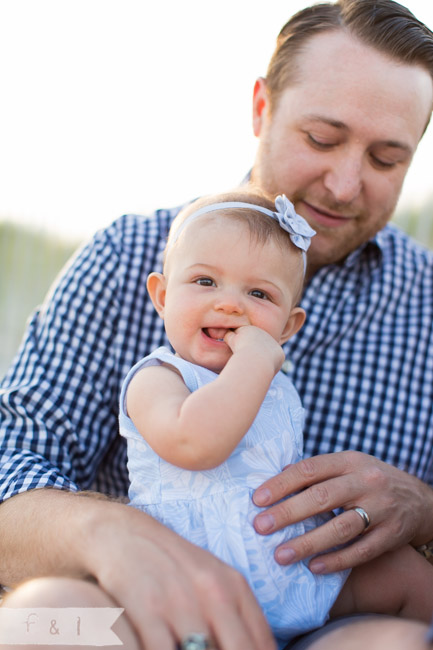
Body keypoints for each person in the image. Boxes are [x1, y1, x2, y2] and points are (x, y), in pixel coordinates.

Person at [1, 0, 433, 649]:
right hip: (150, 625)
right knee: (41, 618)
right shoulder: (130, 256)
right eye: (321, 139)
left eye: (385, 160)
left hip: (320, 621)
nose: (344, 185)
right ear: (261, 107)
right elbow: (13, 460)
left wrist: (424, 510)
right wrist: (107, 534)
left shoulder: (424, 302)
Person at [119, 188, 433, 649]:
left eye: (258, 293)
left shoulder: (270, 380)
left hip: (293, 566)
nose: (229, 304)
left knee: (408, 575)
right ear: (162, 296)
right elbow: (196, 443)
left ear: (288, 326)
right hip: (198, 584)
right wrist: (256, 361)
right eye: (205, 282)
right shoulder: (158, 378)